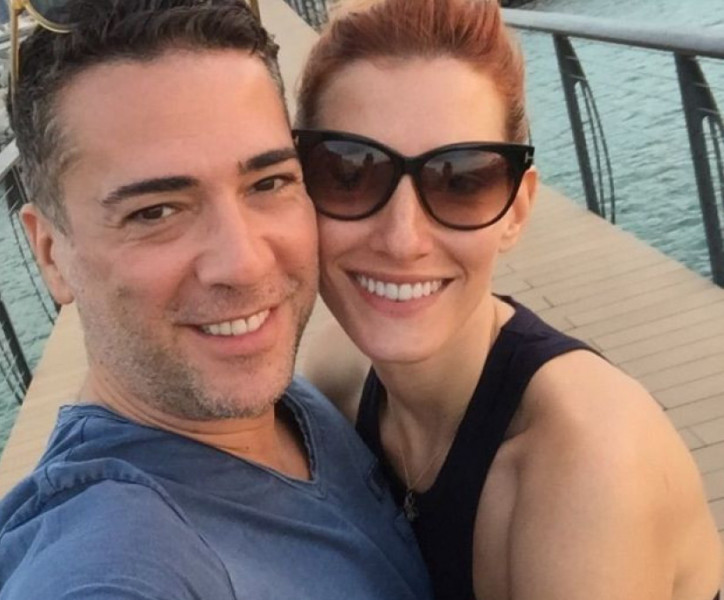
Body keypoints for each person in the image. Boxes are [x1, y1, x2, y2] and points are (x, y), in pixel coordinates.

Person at [0, 1, 434, 599]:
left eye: (268, 182)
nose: (244, 263)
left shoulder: (292, 411)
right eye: (156, 212)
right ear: (52, 255)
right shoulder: (107, 558)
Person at [294, 0, 723, 599]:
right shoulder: (339, 371)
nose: (402, 239)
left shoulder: (591, 464)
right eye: (350, 173)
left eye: (462, 180)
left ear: (516, 210)